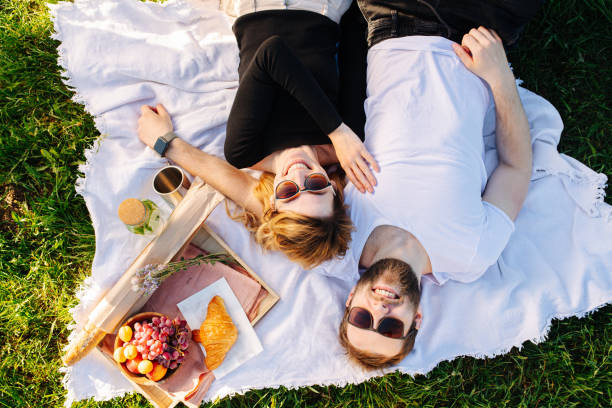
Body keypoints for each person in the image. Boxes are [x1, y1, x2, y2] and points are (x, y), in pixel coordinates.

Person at [337, 0, 544, 368]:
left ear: (351, 298)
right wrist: (499, 77)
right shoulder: (470, 255)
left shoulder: (341, 235)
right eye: (389, 328)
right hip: (479, 34)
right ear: (415, 321)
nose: (380, 311)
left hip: (393, 18)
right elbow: (515, 169)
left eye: (362, 319)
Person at [136, 0, 378, 270]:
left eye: (289, 191)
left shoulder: (246, 151)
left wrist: (164, 141)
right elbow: (353, 51)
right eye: (315, 186)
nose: (298, 175)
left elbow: (271, 53)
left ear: (273, 199)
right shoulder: (346, 143)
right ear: (333, 189)